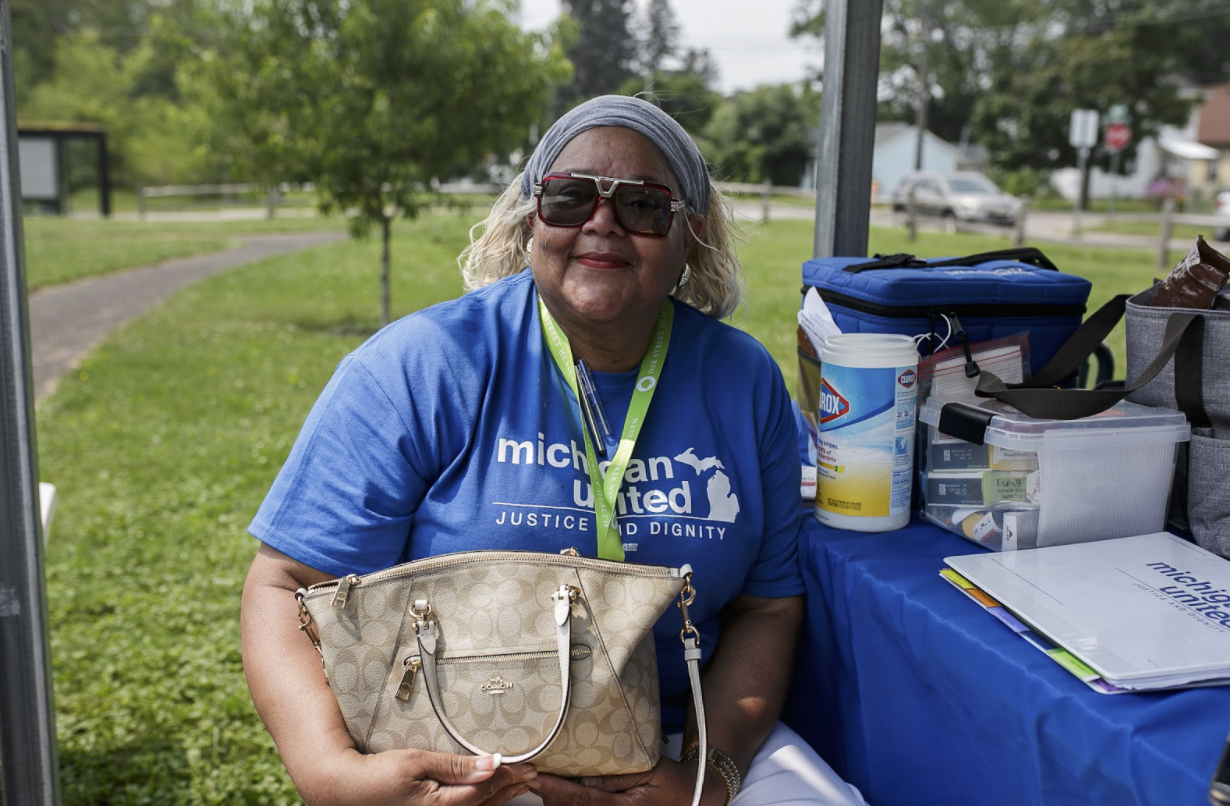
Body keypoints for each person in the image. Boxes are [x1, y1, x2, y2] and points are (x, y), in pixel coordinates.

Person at [240, 94, 867, 806]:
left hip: (677, 736)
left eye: (642, 204)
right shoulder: (424, 364)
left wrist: (706, 779)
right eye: (569, 198)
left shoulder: (743, 381)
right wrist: (330, 772)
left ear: (689, 233)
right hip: (464, 746)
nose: (601, 222)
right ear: (531, 218)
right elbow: (287, 581)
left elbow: (767, 607)